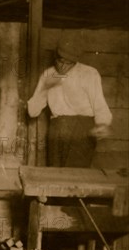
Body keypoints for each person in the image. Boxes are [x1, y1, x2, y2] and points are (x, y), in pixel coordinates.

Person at [27, 36, 112, 167]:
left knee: (77, 175)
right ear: (56, 56)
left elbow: (99, 103)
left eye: (69, 62)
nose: (63, 66)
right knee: (56, 173)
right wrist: (45, 88)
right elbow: (32, 112)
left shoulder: (89, 73)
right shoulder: (48, 74)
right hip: (57, 129)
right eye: (61, 61)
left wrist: (102, 124)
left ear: (76, 60)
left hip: (82, 130)